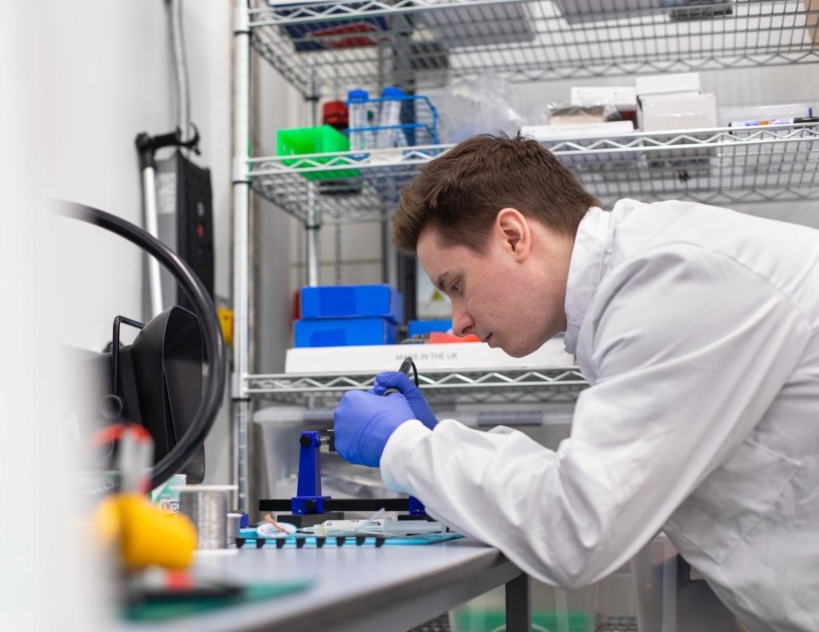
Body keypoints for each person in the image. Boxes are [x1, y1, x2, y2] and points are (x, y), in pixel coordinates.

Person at [332, 133, 819, 632]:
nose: (458, 322)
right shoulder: (636, 281)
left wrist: (406, 448)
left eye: (456, 286)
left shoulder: (671, 278)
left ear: (513, 235)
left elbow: (577, 532)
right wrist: (439, 450)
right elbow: (590, 483)